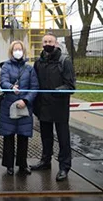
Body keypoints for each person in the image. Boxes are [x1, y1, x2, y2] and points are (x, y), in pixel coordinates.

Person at [30, 33, 76, 181]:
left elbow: (71, 85)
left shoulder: (64, 61)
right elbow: (34, 82)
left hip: (59, 106)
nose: (47, 43)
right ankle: (45, 161)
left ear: (55, 44)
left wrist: (58, 91)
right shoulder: (39, 62)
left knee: (63, 138)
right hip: (43, 106)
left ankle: (64, 166)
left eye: (50, 41)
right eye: (45, 41)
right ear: (42, 44)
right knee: (46, 136)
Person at [0, 41, 39, 175]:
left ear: (23, 51)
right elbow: (3, 81)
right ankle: (8, 165)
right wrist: (10, 87)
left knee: (23, 137)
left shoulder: (29, 69)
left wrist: (26, 100)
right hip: (8, 106)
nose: (18, 51)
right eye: (15, 49)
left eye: (20, 49)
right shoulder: (6, 66)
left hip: (24, 106)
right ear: (11, 51)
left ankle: (22, 164)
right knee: (8, 137)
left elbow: (34, 87)